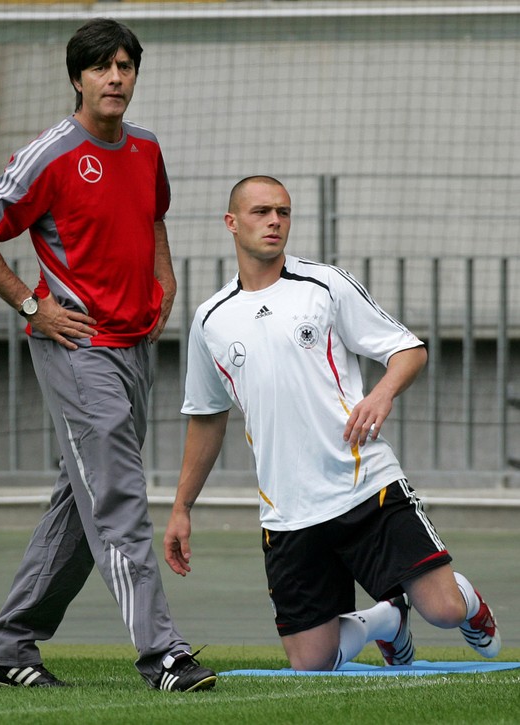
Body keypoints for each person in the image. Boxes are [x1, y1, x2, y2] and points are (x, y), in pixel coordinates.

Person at [0, 18, 216, 692]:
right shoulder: (52, 153)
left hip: (134, 349)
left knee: (82, 502)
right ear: (78, 77)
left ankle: (7, 647)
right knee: (120, 497)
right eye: (102, 67)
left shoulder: (147, 148)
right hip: (77, 347)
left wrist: (166, 279)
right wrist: (28, 303)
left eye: (126, 66)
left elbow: (155, 215)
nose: (116, 77)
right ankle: (163, 655)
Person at [163, 175, 501, 671]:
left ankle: (468, 603)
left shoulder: (325, 285)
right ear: (231, 223)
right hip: (289, 513)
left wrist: (382, 393)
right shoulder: (211, 319)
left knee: (444, 610)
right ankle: (385, 621)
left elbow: (409, 350)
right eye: (261, 212)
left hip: (366, 488)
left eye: (283, 211)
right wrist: (181, 507)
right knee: (312, 665)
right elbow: (207, 417)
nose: (275, 220)